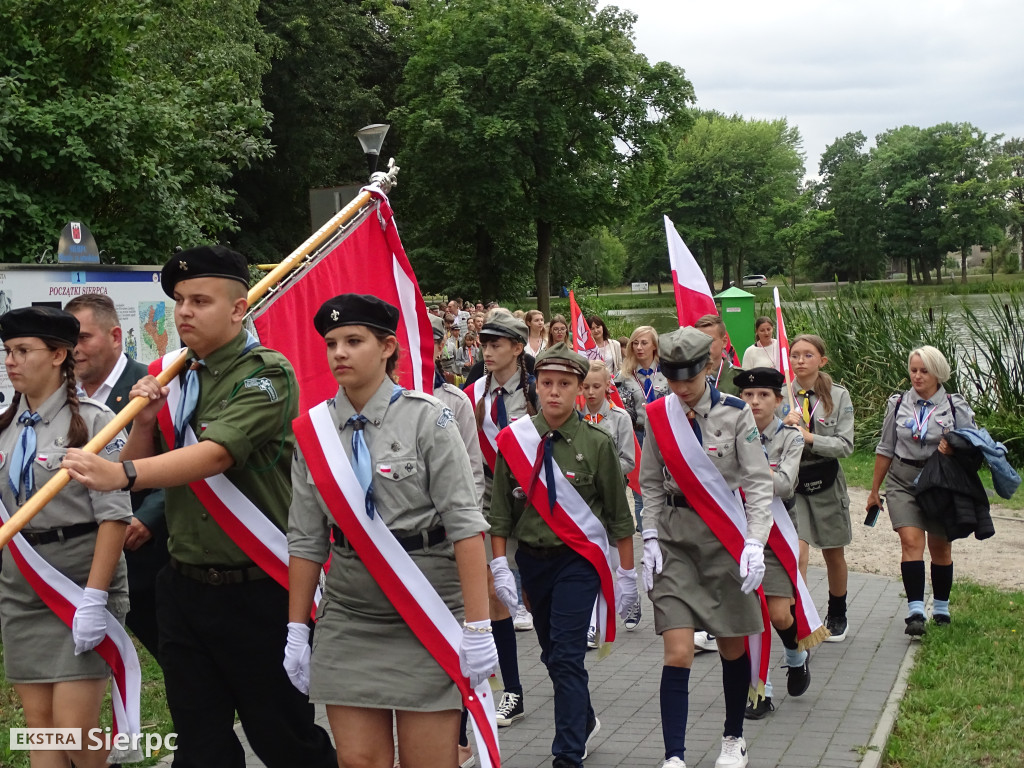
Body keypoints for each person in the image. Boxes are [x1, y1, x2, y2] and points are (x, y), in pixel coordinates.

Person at [63, 245, 336, 768]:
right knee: (200, 744)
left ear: (239, 309)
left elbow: (214, 456)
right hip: (183, 586)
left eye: (201, 300)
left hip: (257, 589)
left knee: (282, 737)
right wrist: (144, 423)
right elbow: (144, 476)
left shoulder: (267, 373)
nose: (184, 311)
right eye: (180, 301)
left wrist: (119, 472)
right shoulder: (174, 375)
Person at [285, 294, 495, 768]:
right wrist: (297, 627)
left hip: (426, 606)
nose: (339, 352)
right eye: (332, 342)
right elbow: (305, 539)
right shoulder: (314, 431)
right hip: (350, 614)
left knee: (429, 761)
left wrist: (479, 625)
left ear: (387, 348)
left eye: (353, 341)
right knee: (358, 761)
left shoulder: (428, 418)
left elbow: (465, 525)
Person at [490, 343, 637, 768]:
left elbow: (618, 516)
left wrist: (626, 574)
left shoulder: (596, 443)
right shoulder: (514, 441)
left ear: (579, 389)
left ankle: (567, 752)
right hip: (533, 563)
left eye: (564, 384)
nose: (554, 392)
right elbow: (500, 512)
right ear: (536, 386)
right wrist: (500, 564)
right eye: (547, 382)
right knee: (551, 653)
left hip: (578, 561)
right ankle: (584, 717)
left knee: (569, 653)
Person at [0, 306, 133, 768]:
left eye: (22, 351)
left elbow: (115, 516)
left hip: (78, 587)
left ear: (59, 355)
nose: (11, 362)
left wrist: (96, 598)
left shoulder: (96, 424)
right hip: (22, 592)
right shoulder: (5, 428)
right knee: (41, 729)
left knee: (76, 732)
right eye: (7, 352)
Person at [640, 327, 773, 768]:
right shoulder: (659, 414)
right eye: (672, 379)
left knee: (732, 647)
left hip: (723, 539)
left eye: (689, 380)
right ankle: (674, 755)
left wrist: (755, 541)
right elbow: (650, 485)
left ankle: (733, 737)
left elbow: (756, 482)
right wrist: (651, 536)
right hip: (676, 540)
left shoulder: (736, 415)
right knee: (677, 649)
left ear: (708, 368)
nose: (680, 389)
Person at [67, 294, 169, 663]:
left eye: (84, 338)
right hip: (84, 559)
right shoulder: (64, 397)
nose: (74, 350)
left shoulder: (154, 385)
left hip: (146, 556)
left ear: (115, 336)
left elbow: (186, 462)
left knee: (175, 662)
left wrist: (150, 517)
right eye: (69, 340)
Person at [735, 368, 825, 720]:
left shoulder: (790, 437)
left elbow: (785, 484)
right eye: (747, 396)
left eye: (763, 396)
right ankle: (760, 691)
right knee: (750, 615)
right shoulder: (730, 432)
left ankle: (795, 655)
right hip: (738, 532)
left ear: (776, 400)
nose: (754, 402)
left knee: (778, 613)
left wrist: (745, 471)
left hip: (776, 531)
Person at [866, 345, 975, 636]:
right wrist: (874, 490)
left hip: (940, 481)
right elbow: (886, 447)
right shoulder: (899, 403)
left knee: (940, 547)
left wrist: (954, 447)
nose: (917, 376)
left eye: (924, 371)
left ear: (937, 373)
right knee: (911, 542)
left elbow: (974, 444)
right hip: (903, 480)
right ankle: (915, 610)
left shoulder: (954, 405)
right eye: (913, 370)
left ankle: (941, 607)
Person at [464, 313, 537, 728]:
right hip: (491, 504)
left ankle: (575, 700)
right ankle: (512, 691)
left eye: (497, 344)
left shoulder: (534, 392)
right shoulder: (473, 393)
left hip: (535, 506)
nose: (487, 351)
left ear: (517, 347)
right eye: (484, 343)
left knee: (537, 602)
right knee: (494, 596)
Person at [782, 334, 855, 642]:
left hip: (826, 481)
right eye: (795, 354)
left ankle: (837, 613)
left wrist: (810, 438)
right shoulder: (782, 395)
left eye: (807, 355)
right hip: (794, 482)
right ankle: (801, 615)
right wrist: (780, 425)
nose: (800, 360)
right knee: (797, 552)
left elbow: (845, 445)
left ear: (821, 361)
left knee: (832, 552)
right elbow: (764, 441)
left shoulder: (837, 397)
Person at [580, 360, 637, 642]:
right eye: (586, 387)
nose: (591, 393)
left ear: (607, 387)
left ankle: (630, 593)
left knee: (617, 555)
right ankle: (592, 622)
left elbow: (629, 460)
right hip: (584, 501)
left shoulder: (619, 418)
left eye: (596, 386)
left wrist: (603, 472)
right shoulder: (575, 418)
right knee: (591, 558)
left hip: (612, 497)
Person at [615, 325, 668, 534]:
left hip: (663, 435)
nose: (638, 347)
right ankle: (646, 537)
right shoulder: (624, 376)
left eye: (644, 343)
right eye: (634, 343)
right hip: (637, 433)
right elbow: (619, 409)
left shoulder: (667, 372)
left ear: (654, 345)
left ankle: (665, 536)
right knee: (640, 489)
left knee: (664, 485)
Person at [695, 314, 738, 395]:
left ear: (724, 342)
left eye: (709, 340)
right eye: (699, 340)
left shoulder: (739, 378)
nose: (704, 346)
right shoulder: (687, 377)